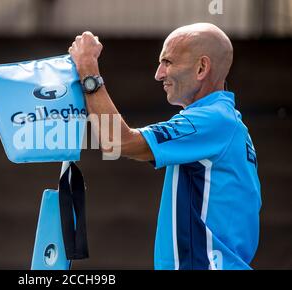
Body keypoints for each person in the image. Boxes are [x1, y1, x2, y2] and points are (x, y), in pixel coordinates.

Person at [68, 23, 261, 270]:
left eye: (167, 62)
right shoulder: (224, 122)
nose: (159, 74)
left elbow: (117, 142)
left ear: (201, 68)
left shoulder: (212, 119)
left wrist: (87, 68)